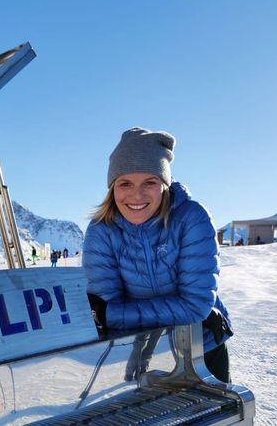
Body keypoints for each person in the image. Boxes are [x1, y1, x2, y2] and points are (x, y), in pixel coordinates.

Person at [82, 127, 233, 383]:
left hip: (201, 346)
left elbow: (195, 305)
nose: (136, 194)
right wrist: (110, 314)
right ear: (112, 188)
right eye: (125, 183)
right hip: (139, 350)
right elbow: (106, 305)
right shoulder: (102, 231)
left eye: (149, 182)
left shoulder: (191, 219)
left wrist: (112, 314)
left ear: (164, 184)